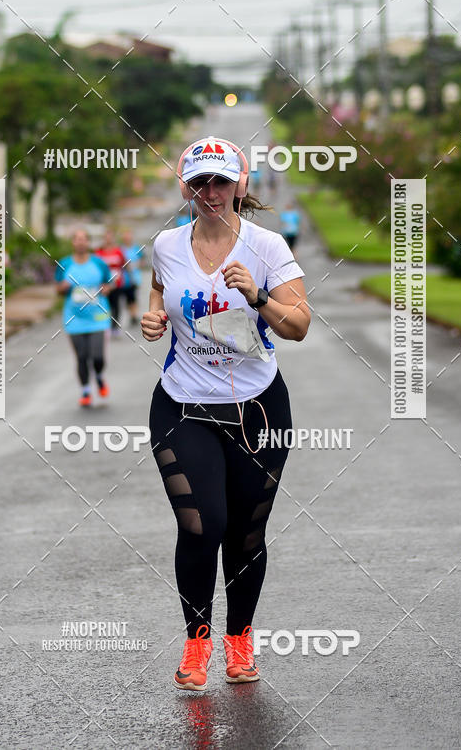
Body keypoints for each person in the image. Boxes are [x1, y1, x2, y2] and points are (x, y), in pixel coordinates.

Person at [141, 136, 310, 691]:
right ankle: (196, 643)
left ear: (240, 184)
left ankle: (240, 638)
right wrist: (153, 319)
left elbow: (300, 325)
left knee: (244, 533)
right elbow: (159, 291)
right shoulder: (166, 245)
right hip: (183, 404)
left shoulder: (267, 247)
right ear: (186, 188)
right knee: (202, 524)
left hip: (258, 408)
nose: (209, 192)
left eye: (220, 181)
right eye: (198, 183)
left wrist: (258, 296)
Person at [55, 228, 113, 406]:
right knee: (81, 356)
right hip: (74, 319)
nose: (80, 242)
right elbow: (58, 290)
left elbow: (109, 285)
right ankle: (85, 391)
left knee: (97, 356)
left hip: (98, 318)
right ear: (73, 242)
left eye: (84, 239)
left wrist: (105, 289)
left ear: (88, 243)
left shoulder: (99, 263)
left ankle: (100, 376)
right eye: (77, 239)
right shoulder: (65, 264)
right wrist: (63, 287)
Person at [95, 228, 126, 337]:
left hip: (116, 283)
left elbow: (124, 264)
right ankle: (104, 326)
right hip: (103, 284)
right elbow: (96, 267)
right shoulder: (99, 252)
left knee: (116, 305)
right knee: (104, 305)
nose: (108, 239)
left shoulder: (118, 251)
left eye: (110, 237)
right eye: (106, 237)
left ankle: (115, 327)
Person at [121, 228, 143, 326]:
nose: (127, 238)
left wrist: (134, 265)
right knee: (127, 298)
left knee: (133, 297)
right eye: (125, 237)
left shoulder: (136, 248)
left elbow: (142, 261)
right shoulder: (121, 249)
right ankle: (132, 314)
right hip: (124, 278)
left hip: (135, 277)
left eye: (129, 236)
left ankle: (134, 315)